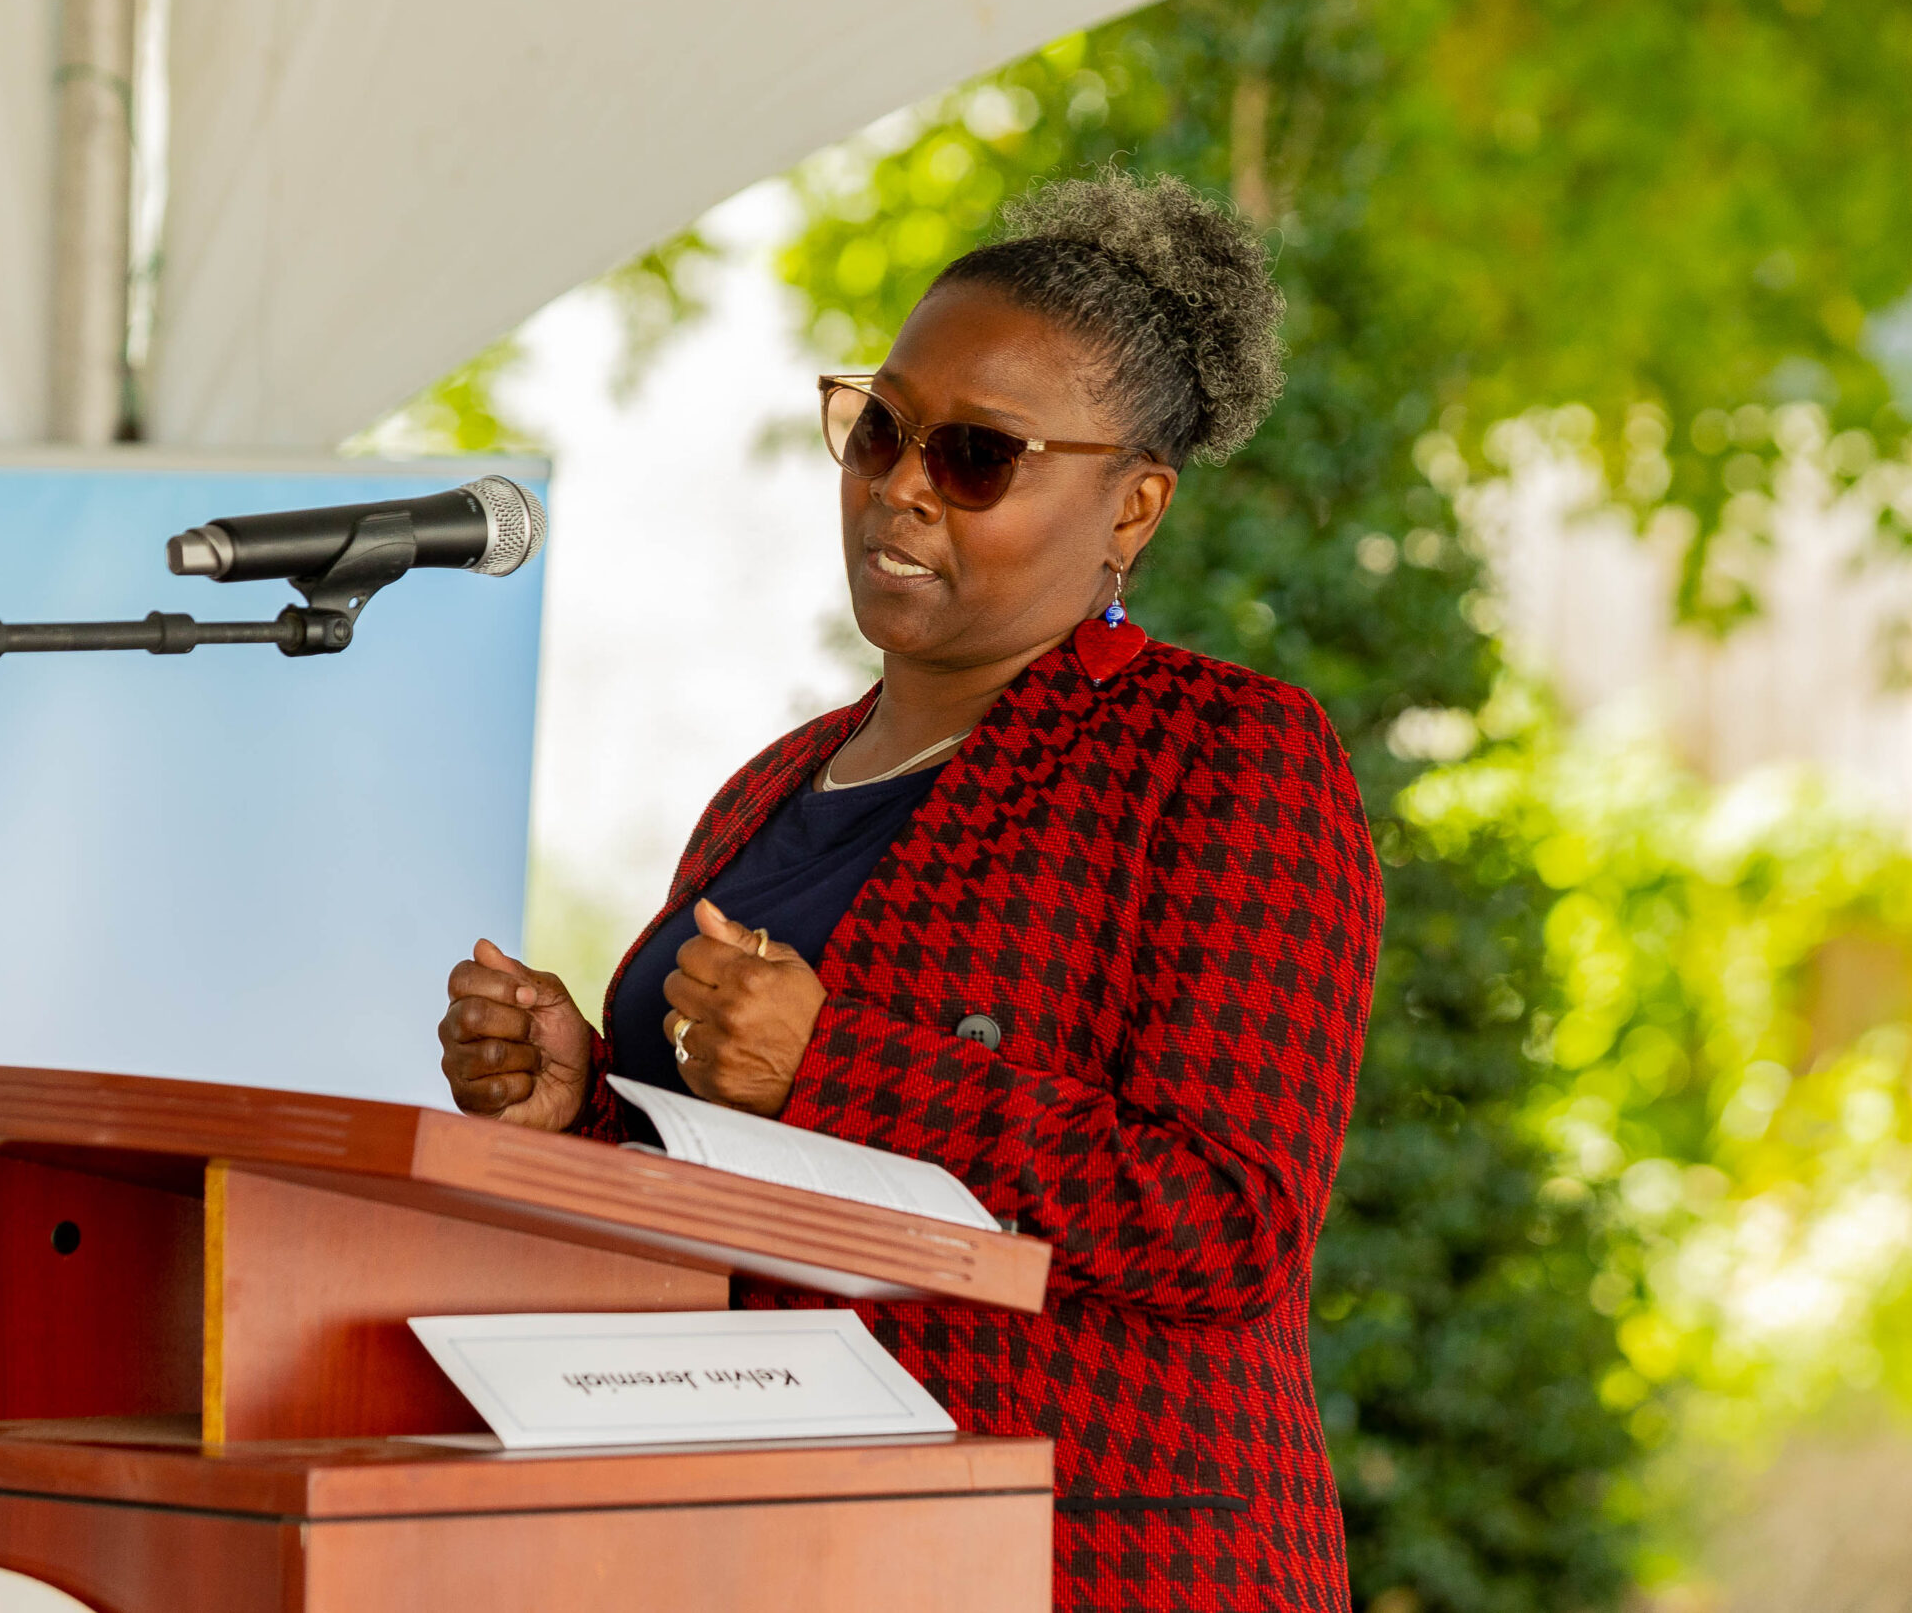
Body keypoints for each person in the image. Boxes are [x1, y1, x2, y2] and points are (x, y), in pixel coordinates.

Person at [436, 170, 1382, 1613]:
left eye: (980, 455)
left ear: (1132, 507)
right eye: (878, 427)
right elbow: (751, 1200)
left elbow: (1227, 1222)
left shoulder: (1223, 757)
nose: (900, 485)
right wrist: (582, 1110)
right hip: (783, 1543)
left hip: (1089, 1553)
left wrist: (835, 1065)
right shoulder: (772, 784)